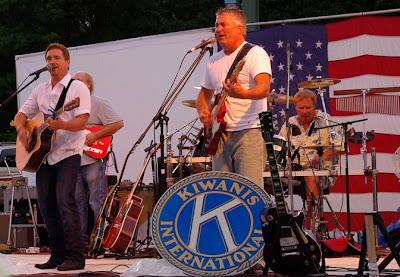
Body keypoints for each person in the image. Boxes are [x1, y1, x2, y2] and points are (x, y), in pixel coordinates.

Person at [14, 43, 90, 271]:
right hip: (43, 156)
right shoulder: (40, 89)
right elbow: (20, 115)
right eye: (49, 58)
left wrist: (62, 124)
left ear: (67, 62)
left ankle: (76, 257)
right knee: (46, 205)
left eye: (57, 57)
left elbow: (83, 121)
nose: (52, 61)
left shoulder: (77, 89)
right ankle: (57, 256)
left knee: (65, 201)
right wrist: (24, 131)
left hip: (67, 153)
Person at [196, 6, 271, 187]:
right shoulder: (213, 61)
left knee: (250, 191)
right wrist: (203, 112)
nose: (218, 29)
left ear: (239, 29)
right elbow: (203, 94)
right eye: (217, 25)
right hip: (219, 133)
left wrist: (242, 94)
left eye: (223, 24)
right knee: (222, 192)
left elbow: (264, 89)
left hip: (249, 130)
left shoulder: (255, 54)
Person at [73, 71, 123, 248]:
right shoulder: (68, 107)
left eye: (78, 81)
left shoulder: (98, 103)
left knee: (96, 202)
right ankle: (81, 243)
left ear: (88, 85)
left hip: (93, 159)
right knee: (77, 204)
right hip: (73, 160)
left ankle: (99, 241)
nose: (74, 84)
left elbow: (117, 123)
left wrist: (96, 136)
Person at [278, 89, 343, 217]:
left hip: (321, 171)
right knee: (267, 179)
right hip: (294, 170)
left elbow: (339, 147)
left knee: (310, 177)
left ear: (314, 106)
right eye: (301, 108)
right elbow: (280, 146)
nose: (305, 111)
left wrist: (321, 158)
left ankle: (316, 222)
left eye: (308, 107)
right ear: (296, 107)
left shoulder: (326, 121)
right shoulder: (290, 123)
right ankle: (280, 217)